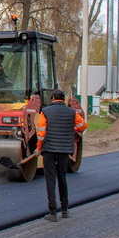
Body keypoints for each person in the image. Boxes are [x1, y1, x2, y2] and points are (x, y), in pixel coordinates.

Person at [36, 89, 87, 222]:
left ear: (53, 98)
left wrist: (38, 148)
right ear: (63, 99)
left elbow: (41, 133)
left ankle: (52, 212)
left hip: (49, 150)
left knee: (50, 180)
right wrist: (73, 129)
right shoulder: (72, 112)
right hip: (64, 150)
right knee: (62, 178)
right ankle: (65, 210)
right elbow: (83, 125)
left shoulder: (45, 112)